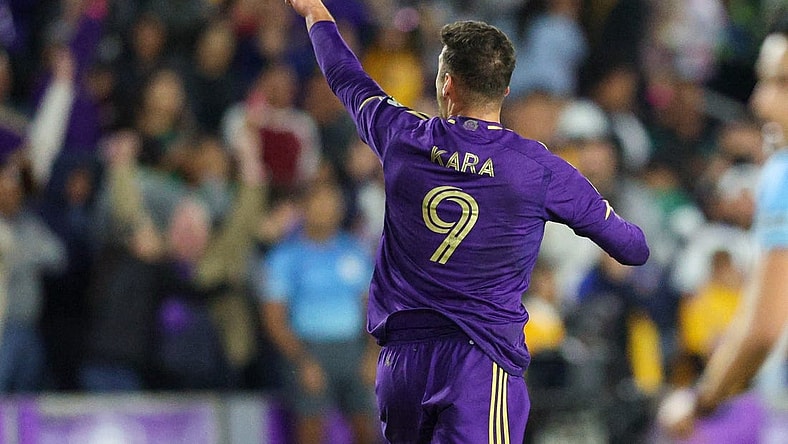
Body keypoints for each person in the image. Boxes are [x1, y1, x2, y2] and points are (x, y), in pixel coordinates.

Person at [286, 1, 650, 442]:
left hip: (401, 365)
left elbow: (345, 75)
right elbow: (633, 248)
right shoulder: (538, 168)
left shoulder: (402, 135)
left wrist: (314, 13)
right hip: (479, 362)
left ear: (447, 83)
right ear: (505, 91)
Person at [658, 18, 788, 439]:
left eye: (784, 84)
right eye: (765, 81)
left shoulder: (782, 176)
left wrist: (699, 401)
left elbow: (763, 328)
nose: (762, 102)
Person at [256, 178, 378, 444]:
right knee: (310, 430)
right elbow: (274, 319)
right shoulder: (284, 257)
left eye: (332, 203)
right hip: (308, 350)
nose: (327, 209)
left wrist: (372, 354)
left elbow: (373, 309)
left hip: (353, 350)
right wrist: (301, 361)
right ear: (304, 207)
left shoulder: (354, 251)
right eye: (319, 203)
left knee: (366, 429)